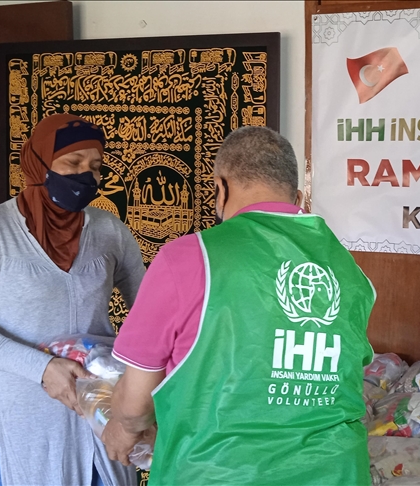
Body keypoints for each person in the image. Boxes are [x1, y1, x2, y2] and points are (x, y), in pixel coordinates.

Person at [101, 126, 376, 485]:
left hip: (217, 475)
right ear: (298, 198)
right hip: (338, 474)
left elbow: (135, 404)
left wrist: (123, 428)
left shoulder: (188, 257)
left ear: (221, 187)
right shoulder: (351, 272)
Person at [0, 114, 145, 486]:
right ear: (39, 163)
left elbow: (148, 311)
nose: (86, 176)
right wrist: (42, 368)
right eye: (73, 163)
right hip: (15, 408)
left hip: (97, 406)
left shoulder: (110, 231)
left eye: (95, 166)